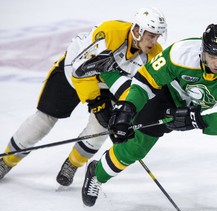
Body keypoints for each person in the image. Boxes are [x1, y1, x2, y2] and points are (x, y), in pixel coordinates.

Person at [81, 24, 217, 207]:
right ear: (202, 50)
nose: (216, 64)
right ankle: (97, 173)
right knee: (138, 145)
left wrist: (198, 121)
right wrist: (128, 108)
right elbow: (147, 79)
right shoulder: (181, 53)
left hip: (191, 107)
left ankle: (112, 75)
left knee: (134, 134)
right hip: (166, 91)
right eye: (211, 56)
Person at [0, 7, 167, 185]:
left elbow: (139, 89)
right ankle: (6, 161)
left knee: (102, 127)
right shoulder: (110, 32)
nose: (154, 41)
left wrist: (127, 116)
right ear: (136, 31)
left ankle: (72, 165)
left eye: (157, 36)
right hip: (72, 72)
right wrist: (95, 101)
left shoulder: (155, 54)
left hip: (108, 84)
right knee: (44, 120)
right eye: (150, 35)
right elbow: (81, 69)